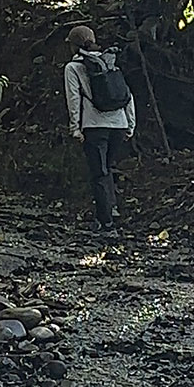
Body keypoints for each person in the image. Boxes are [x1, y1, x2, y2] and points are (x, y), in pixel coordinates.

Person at [63, 23, 135, 232]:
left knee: (99, 172)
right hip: (119, 125)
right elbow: (127, 95)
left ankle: (106, 222)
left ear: (73, 46)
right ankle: (112, 210)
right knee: (108, 168)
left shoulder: (73, 68)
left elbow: (74, 99)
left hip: (95, 126)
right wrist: (130, 124)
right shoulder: (109, 60)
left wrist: (75, 128)